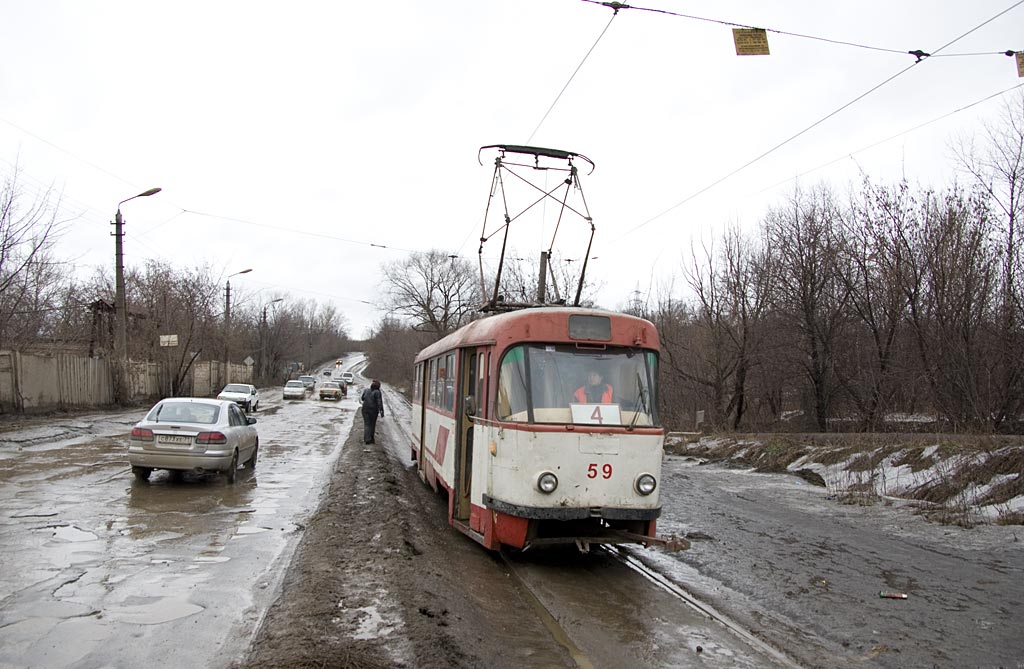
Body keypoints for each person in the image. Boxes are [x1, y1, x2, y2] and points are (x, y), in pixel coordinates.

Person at [360, 379, 385, 444]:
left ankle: (367, 439)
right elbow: (379, 402)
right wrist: (381, 411)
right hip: (373, 411)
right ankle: (371, 439)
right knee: (372, 424)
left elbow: (362, 398)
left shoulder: (366, 390)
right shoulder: (377, 392)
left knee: (367, 424)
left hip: (365, 409)